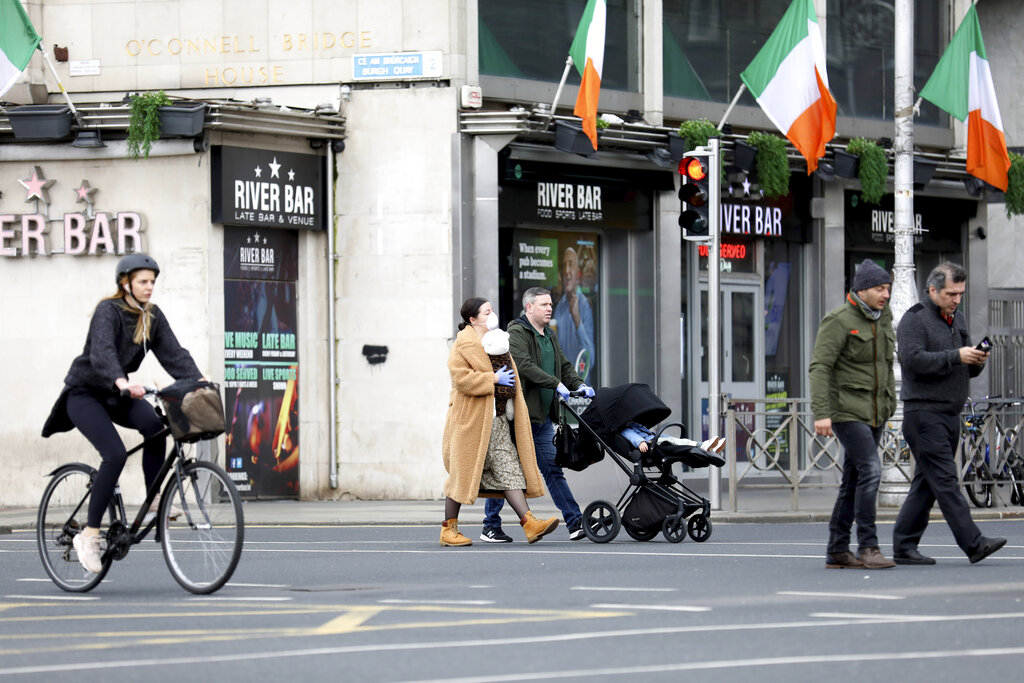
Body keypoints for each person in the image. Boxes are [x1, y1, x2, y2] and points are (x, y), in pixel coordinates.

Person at [41, 253, 204, 574]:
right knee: (114, 454)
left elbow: (175, 354)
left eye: (153, 281)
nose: (149, 287)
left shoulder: (152, 316)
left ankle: (155, 501)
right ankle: (89, 535)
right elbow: (101, 352)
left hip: (118, 395)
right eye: (143, 281)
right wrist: (121, 380)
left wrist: (198, 381)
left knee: (157, 427)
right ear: (125, 283)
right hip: (85, 393)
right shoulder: (108, 311)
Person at [892, 261, 1006, 565]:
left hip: (949, 413)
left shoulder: (959, 319)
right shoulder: (914, 319)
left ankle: (903, 545)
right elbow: (913, 361)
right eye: (951, 294)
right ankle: (974, 543)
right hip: (924, 414)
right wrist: (956, 356)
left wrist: (976, 359)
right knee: (945, 481)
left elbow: (962, 368)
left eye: (960, 294)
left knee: (926, 485)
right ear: (933, 290)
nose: (957, 300)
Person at [440, 297, 559, 547]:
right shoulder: (464, 344)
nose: (491, 315)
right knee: (462, 475)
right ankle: (448, 529)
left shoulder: (497, 341)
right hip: (471, 422)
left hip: (499, 420)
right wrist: (492, 379)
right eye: (486, 312)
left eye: (492, 310)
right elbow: (461, 379)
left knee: (510, 470)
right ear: (473, 319)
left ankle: (529, 523)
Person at [481, 287, 595, 542]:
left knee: (553, 470)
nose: (549, 308)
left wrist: (578, 384)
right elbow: (523, 364)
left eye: (551, 304)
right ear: (529, 307)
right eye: (543, 304)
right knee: (507, 472)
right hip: (520, 418)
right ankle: (490, 525)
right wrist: (555, 384)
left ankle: (575, 522)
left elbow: (564, 365)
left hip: (542, 420)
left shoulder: (549, 335)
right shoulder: (517, 332)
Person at [809, 259, 897, 570]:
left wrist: (890, 404)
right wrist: (822, 413)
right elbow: (820, 368)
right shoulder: (840, 320)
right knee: (872, 471)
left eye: (888, 288)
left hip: (875, 412)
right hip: (846, 411)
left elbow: (885, 367)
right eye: (879, 288)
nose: (885, 294)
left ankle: (837, 548)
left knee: (853, 480)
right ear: (861, 290)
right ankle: (869, 546)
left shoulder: (883, 319)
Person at [553, 247, 596, 382]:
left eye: (570, 265)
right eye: (564, 265)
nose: (566, 271)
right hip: (562, 389)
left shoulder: (584, 305)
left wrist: (577, 320)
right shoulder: (559, 307)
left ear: (577, 273)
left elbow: (591, 360)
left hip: (580, 392)